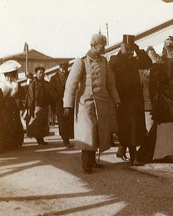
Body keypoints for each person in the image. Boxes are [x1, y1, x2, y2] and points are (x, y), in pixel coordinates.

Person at [63, 33, 120, 174]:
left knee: (98, 131)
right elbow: (71, 84)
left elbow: (110, 83)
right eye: (103, 45)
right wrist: (67, 105)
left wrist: (116, 100)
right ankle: (86, 163)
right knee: (88, 132)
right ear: (94, 45)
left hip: (101, 102)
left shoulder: (104, 62)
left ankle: (93, 161)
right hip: (85, 103)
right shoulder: (81, 61)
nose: (104, 48)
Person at [109, 34, 152, 166]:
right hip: (122, 100)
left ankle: (130, 155)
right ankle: (130, 155)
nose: (129, 51)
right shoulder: (116, 59)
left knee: (133, 129)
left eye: (131, 49)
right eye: (127, 48)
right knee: (126, 128)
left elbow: (148, 62)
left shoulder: (134, 60)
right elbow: (112, 64)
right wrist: (121, 52)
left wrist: (138, 49)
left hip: (135, 100)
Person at [0, 60, 24, 150]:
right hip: (5, 106)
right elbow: (2, 96)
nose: (14, 75)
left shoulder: (13, 82)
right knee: (7, 123)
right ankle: (8, 143)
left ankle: (15, 142)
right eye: (12, 73)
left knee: (14, 123)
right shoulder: (1, 83)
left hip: (12, 105)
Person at [50, 62, 74, 148]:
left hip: (69, 101)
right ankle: (65, 140)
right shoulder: (53, 78)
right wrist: (58, 98)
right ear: (59, 67)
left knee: (69, 120)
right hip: (59, 102)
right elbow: (52, 91)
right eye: (63, 68)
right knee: (62, 121)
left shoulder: (70, 76)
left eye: (66, 68)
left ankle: (67, 138)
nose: (64, 70)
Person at [25, 66, 50, 145]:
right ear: (36, 74)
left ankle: (41, 138)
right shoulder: (33, 84)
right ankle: (39, 139)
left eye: (42, 73)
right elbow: (31, 97)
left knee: (43, 123)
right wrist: (31, 109)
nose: (41, 74)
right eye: (40, 73)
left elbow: (49, 94)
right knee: (37, 123)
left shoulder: (46, 83)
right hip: (37, 106)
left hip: (45, 106)